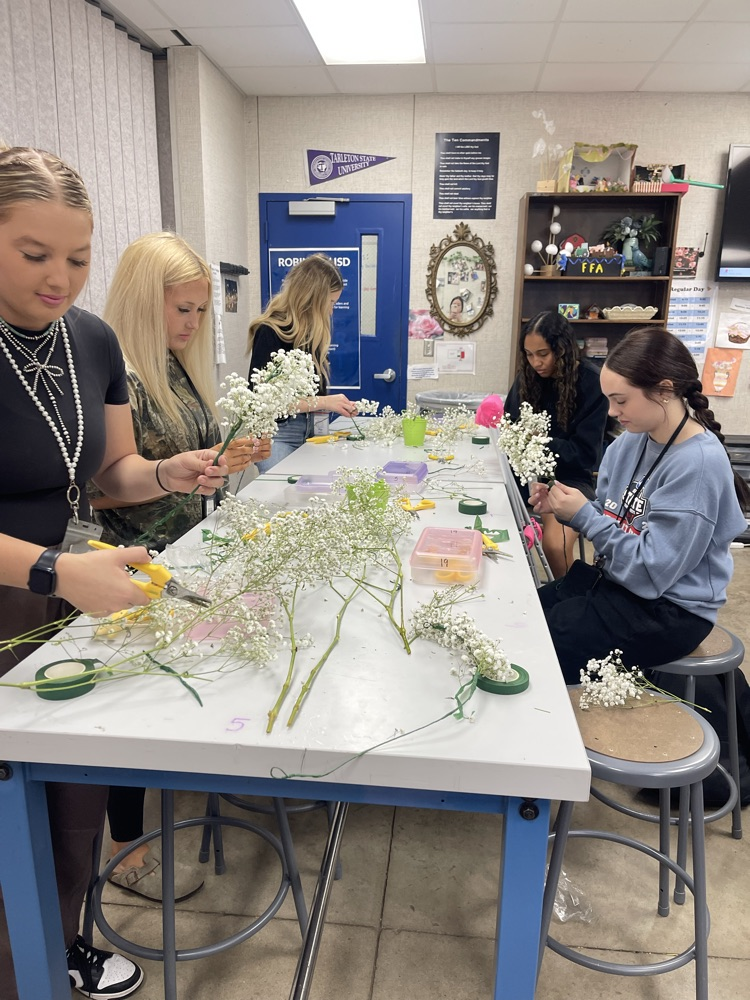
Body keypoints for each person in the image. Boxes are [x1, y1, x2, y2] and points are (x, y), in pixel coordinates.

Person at [0, 146, 225, 999]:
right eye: (34, 255)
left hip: (65, 596)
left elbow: (111, 474)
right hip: (35, 588)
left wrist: (170, 474)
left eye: (78, 258)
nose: (61, 278)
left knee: (73, 807)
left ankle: (59, 948)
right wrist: (56, 569)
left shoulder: (90, 341)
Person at [89, 232, 270, 905]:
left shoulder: (175, 367)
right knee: (132, 715)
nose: (194, 323)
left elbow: (192, 458)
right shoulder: (119, 377)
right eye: (183, 309)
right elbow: (98, 486)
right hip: (130, 561)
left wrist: (225, 457)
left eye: (200, 310)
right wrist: (173, 474)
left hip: (180, 552)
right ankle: (122, 849)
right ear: (144, 302)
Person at [531, 328, 750, 801]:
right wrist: (562, 503)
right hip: (622, 583)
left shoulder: (698, 464)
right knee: (527, 614)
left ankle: (542, 773)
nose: (612, 412)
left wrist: (585, 518)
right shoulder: (630, 441)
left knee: (547, 643)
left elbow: (652, 573)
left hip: (671, 608)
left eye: (621, 400)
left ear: (665, 391)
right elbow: (618, 519)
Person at [505, 311, 609, 578]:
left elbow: (584, 455)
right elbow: (511, 432)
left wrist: (540, 442)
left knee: (554, 543)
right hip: (526, 475)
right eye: (528, 354)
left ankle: (567, 597)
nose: (535, 362)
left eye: (543, 354)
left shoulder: (591, 383)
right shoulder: (526, 379)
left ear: (561, 350)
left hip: (568, 478)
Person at [247, 254, 358, 472]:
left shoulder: (311, 335)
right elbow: (265, 403)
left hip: (311, 430)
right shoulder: (270, 332)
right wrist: (325, 402)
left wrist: (325, 408)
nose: (331, 310)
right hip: (278, 435)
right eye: (330, 302)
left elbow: (313, 395)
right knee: (282, 497)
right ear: (312, 299)